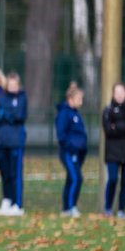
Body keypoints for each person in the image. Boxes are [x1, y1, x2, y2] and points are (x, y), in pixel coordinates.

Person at [101, 82, 125, 218]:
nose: (119, 95)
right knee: (112, 179)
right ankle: (108, 208)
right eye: (116, 93)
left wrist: (117, 126)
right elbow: (108, 130)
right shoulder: (108, 110)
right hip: (113, 152)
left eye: (121, 92)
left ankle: (121, 210)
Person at [0, 72, 26, 216]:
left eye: (15, 84)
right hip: (2, 141)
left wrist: (8, 115)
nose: (13, 87)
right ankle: (7, 200)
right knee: (5, 173)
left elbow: (20, 115)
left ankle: (18, 204)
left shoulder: (22, 97)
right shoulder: (2, 97)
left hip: (16, 142)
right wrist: (8, 115)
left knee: (16, 173)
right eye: (10, 84)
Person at [56, 83, 87, 217]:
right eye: (79, 98)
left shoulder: (76, 113)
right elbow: (61, 135)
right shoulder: (64, 114)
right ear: (71, 98)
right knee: (76, 178)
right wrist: (72, 147)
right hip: (69, 153)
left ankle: (66, 208)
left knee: (71, 179)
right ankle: (70, 207)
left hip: (77, 153)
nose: (81, 101)